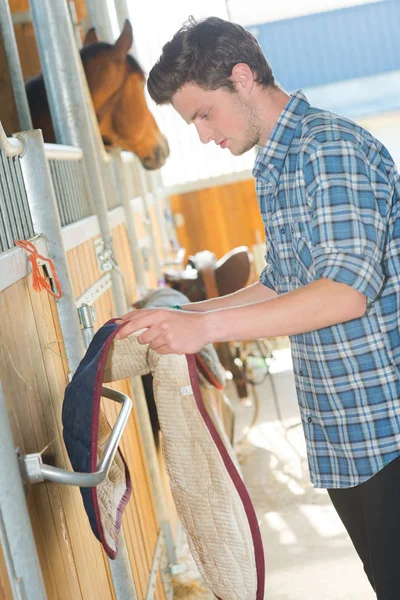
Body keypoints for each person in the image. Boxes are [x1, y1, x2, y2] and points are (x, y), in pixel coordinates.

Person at [117, 16, 400, 599]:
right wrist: (183, 319)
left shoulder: (330, 149)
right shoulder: (276, 163)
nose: (200, 135)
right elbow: (284, 284)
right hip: (346, 435)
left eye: (203, 114)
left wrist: (207, 327)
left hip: (388, 428)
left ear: (242, 78)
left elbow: (345, 292)